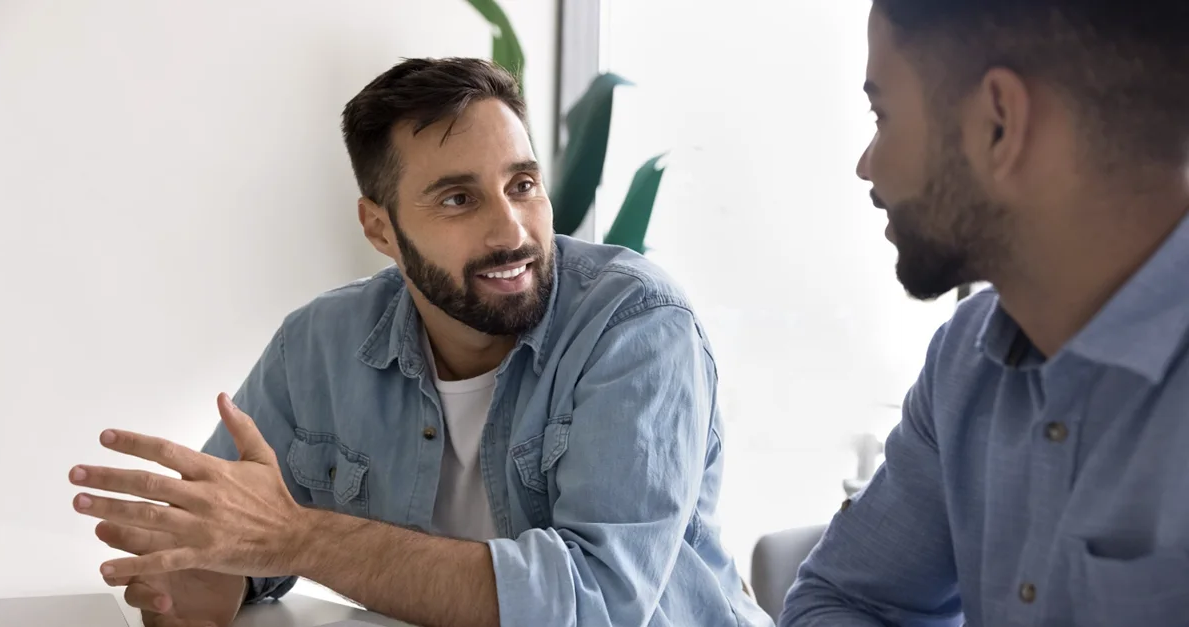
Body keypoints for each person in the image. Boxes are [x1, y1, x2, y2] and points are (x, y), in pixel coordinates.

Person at [68, 57, 772, 627]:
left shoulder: (637, 326)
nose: (512, 232)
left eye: (522, 184)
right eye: (459, 199)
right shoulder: (318, 347)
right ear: (380, 231)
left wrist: (297, 536)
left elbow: (594, 604)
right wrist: (187, 576)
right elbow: (236, 560)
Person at [781, 1, 1189, 626]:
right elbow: (840, 599)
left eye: (882, 114)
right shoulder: (965, 362)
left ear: (999, 124)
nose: (869, 167)